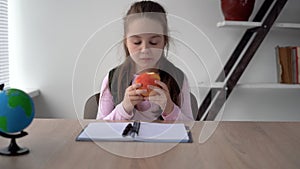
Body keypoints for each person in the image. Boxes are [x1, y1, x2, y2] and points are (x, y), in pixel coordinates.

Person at [96, 1, 194, 121]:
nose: (145, 49)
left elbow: (190, 127)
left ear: (164, 41)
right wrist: (124, 108)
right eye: (137, 42)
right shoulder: (113, 79)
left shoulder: (178, 78)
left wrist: (170, 109)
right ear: (126, 42)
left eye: (154, 42)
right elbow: (99, 126)